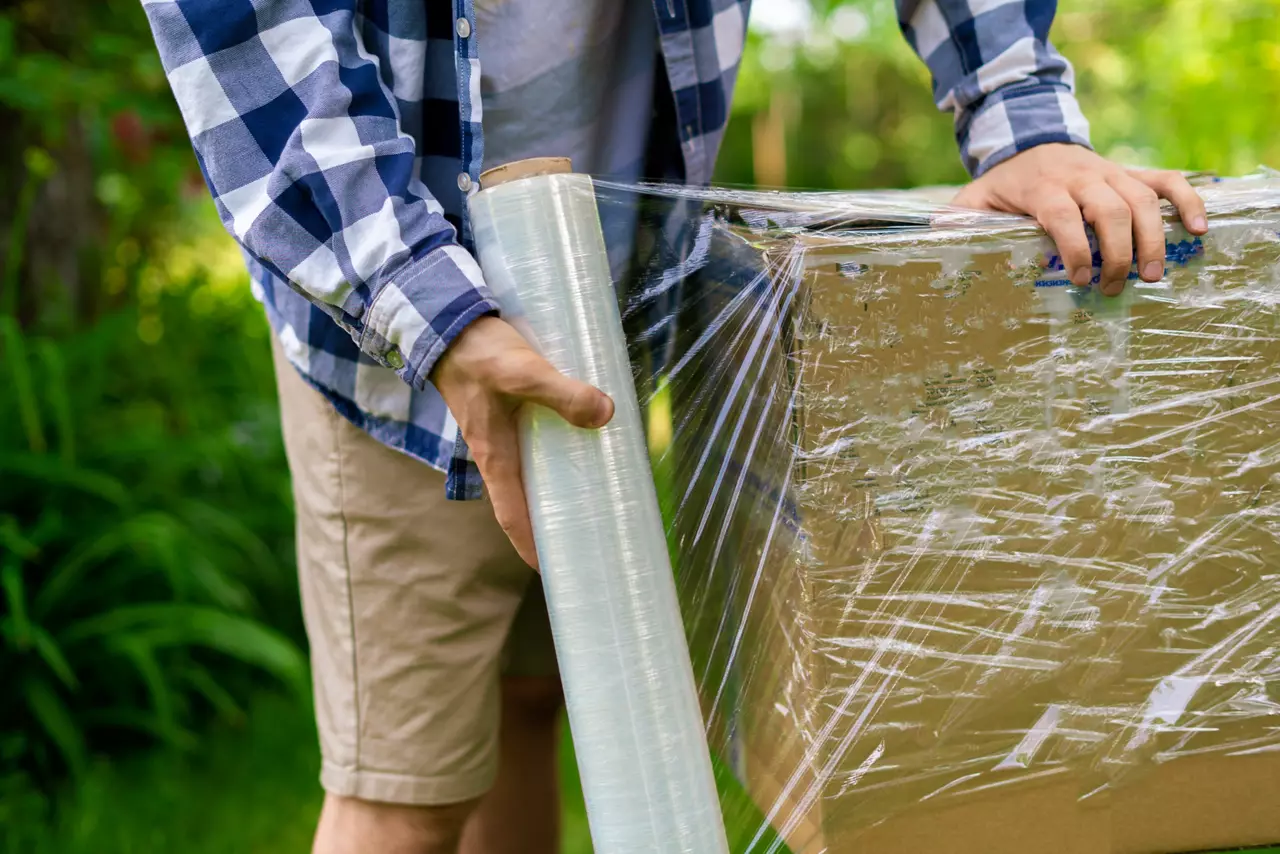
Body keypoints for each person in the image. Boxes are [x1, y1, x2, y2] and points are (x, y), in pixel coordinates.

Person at [142, 1, 1208, 852]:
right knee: (403, 796)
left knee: (532, 699)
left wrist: (1021, 120)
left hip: (606, 292)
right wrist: (440, 320)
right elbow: (245, 38)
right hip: (398, 336)